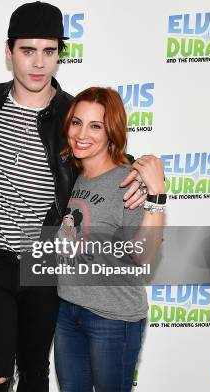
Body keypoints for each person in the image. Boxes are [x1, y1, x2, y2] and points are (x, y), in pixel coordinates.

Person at [0, 2, 149, 392]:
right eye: (28, 50)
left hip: (44, 264)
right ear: (8, 51)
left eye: (49, 51)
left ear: (59, 55)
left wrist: (145, 171)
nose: (38, 62)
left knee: (35, 372)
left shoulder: (69, 115)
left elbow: (104, 156)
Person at [53, 87, 165, 392]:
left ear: (111, 132)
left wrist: (156, 196)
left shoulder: (127, 182)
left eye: (95, 126)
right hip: (68, 311)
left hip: (112, 319)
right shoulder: (73, 175)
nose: (82, 134)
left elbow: (142, 254)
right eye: (77, 123)